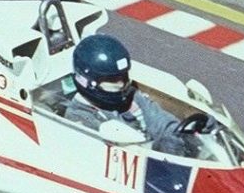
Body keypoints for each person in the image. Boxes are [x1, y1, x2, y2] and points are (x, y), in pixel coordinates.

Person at [63, 34, 194, 152]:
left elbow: (163, 124)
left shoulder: (131, 96)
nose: (121, 84)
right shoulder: (79, 117)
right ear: (87, 82)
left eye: (123, 77)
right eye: (112, 80)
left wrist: (182, 136)